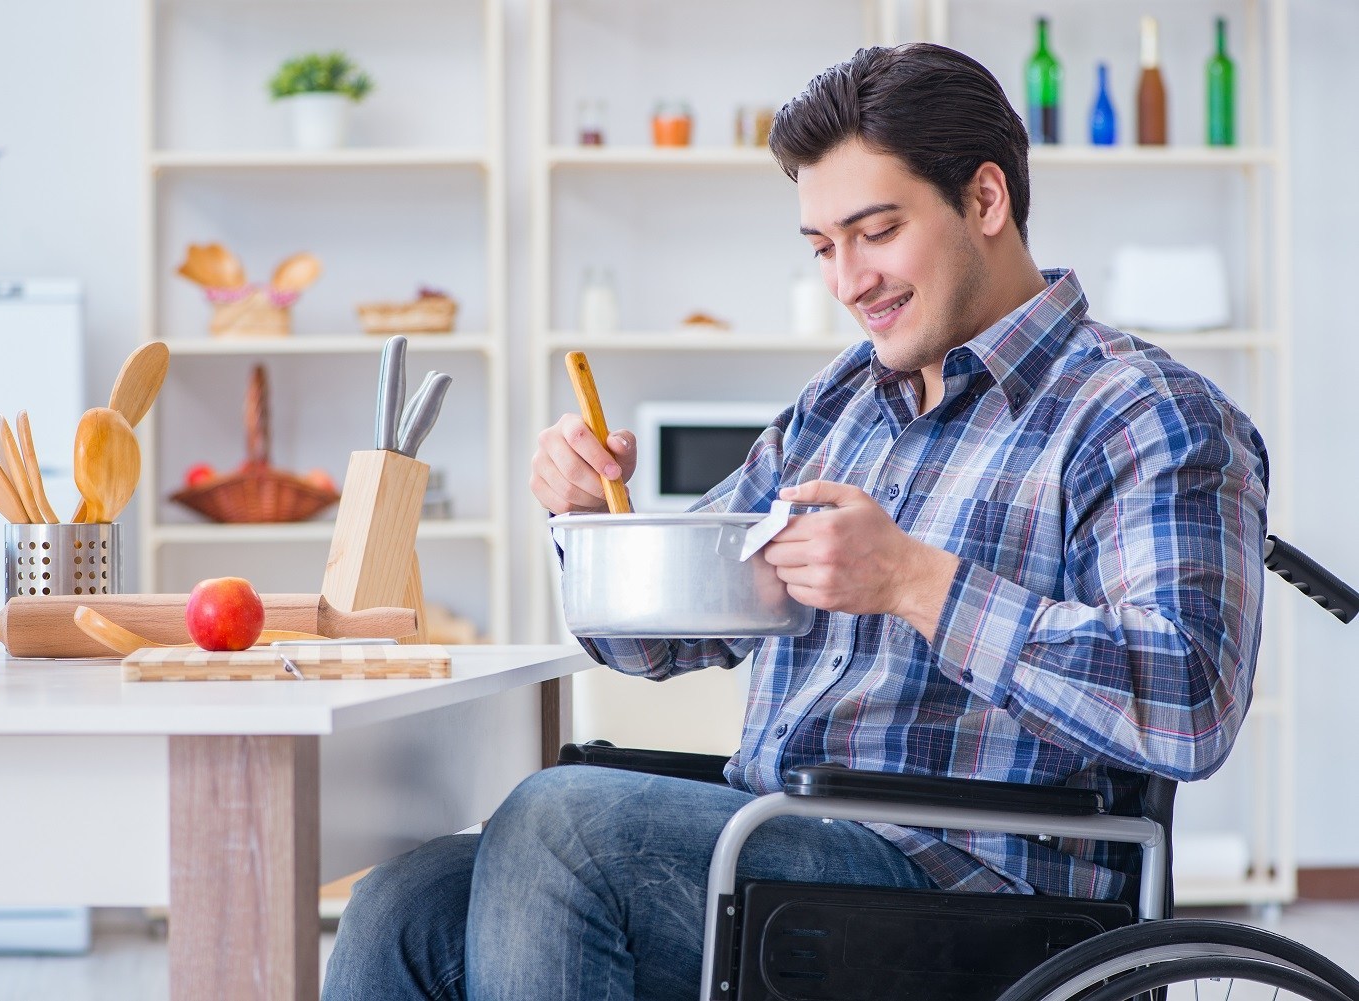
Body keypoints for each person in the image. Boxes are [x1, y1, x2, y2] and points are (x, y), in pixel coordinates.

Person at [323, 42, 1268, 1001]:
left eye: (876, 231)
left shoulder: (1145, 413)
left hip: (987, 900)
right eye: (822, 247)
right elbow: (652, 643)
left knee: (561, 825)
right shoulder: (841, 406)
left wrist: (914, 583)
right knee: (407, 899)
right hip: (785, 845)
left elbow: (1189, 702)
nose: (848, 280)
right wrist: (587, 521)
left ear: (986, 200)